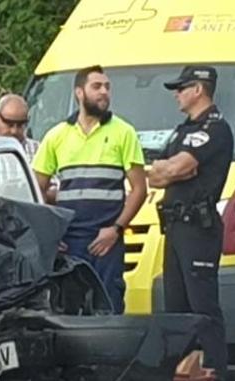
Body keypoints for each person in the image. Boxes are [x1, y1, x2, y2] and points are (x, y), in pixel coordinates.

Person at [148, 66, 233, 381]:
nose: (176, 94)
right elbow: (156, 176)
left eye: (181, 88)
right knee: (177, 307)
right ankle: (183, 379)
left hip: (198, 227)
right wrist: (167, 170)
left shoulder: (215, 129)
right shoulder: (182, 131)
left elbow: (175, 169)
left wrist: (169, 170)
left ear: (198, 89)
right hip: (175, 226)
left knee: (203, 306)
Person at [32, 66, 147, 314]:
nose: (104, 92)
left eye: (107, 87)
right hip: (70, 240)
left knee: (110, 306)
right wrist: (50, 233)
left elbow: (139, 189)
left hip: (106, 239)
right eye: (97, 86)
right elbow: (36, 189)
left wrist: (116, 229)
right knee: (70, 308)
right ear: (79, 93)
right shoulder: (57, 135)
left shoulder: (123, 132)